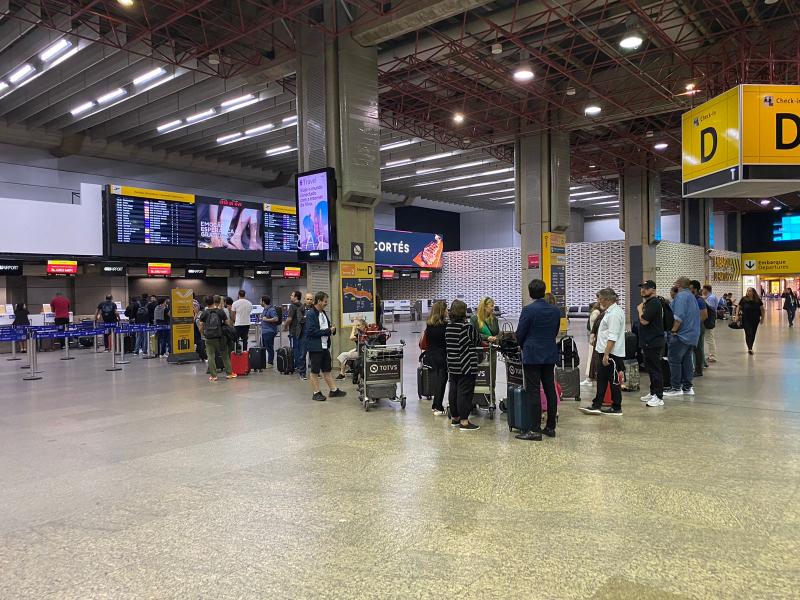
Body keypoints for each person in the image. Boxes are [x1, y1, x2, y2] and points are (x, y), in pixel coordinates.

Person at [514, 279, 561, 440]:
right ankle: (550, 427)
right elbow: (555, 331)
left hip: (532, 355)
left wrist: (521, 344)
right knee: (550, 389)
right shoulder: (555, 311)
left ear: (530, 292)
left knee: (533, 391)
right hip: (549, 353)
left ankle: (534, 429)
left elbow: (520, 333)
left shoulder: (528, 310)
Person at [580, 287, 626, 416]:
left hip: (611, 354)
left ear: (607, 299)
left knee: (613, 380)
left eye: (600, 298)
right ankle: (597, 405)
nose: (598, 301)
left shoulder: (615, 314)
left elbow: (613, 336)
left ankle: (616, 407)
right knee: (601, 380)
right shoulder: (609, 312)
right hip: (603, 352)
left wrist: (606, 354)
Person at [445, 299, 482, 431]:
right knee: (465, 392)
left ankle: (455, 418)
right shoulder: (467, 327)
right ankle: (464, 421)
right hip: (466, 364)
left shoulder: (448, 326)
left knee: (453, 390)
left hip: (452, 363)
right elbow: (477, 340)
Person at [305, 292, 346, 402]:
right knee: (314, 371)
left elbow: (326, 327)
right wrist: (328, 330)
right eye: (325, 301)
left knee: (327, 370)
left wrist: (332, 329)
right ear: (318, 301)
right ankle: (316, 392)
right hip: (315, 347)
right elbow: (311, 332)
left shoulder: (323, 313)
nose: (326, 304)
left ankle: (333, 390)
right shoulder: (310, 314)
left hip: (324, 346)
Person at [663, 277, 701, 398]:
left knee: (674, 360)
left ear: (678, 285)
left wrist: (673, 330)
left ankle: (676, 387)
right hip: (692, 335)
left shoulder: (680, 296)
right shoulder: (691, 296)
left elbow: (678, 317)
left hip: (681, 335)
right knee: (687, 360)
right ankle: (687, 387)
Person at [637, 281, 666, 407]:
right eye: (642, 288)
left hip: (653, 341)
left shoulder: (654, 303)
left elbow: (644, 321)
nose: (643, 290)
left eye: (646, 288)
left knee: (655, 370)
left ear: (653, 290)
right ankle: (653, 392)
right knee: (650, 369)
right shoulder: (648, 303)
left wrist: (639, 310)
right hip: (648, 342)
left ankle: (659, 397)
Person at [197, 295, 235, 381]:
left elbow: (200, 326)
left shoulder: (204, 313)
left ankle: (213, 376)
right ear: (214, 302)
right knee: (225, 355)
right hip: (220, 336)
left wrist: (203, 333)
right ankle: (229, 373)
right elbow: (227, 323)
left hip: (209, 337)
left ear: (206, 303)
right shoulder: (220, 311)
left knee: (210, 355)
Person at [421, 300, 448, 415]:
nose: (447, 311)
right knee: (442, 381)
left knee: (437, 380)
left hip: (431, 355)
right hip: (442, 356)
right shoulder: (445, 326)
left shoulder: (429, 324)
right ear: (442, 311)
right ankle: (438, 407)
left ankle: (434, 405)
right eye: (446, 309)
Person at [470, 297, 500, 389]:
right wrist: (487, 337)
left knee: (492, 374)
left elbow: (497, 332)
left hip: (492, 350)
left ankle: (491, 396)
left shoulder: (494, 319)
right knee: (479, 375)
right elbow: (472, 334)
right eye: (491, 306)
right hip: (479, 351)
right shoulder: (474, 319)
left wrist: (496, 338)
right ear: (484, 307)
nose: (493, 308)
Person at [736, 287, 765, 355]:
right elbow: (738, 307)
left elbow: (762, 309)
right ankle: (750, 348)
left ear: (753, 292)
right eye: (747, 291)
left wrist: (762, 318)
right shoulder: (744, 299)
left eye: (750, 291)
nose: (748, 292)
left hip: (755, 319)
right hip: (746, 319)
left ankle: (750, 346)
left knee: (753, 333)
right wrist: (737, 315)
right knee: (748, 333)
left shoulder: (757, 300)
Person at [582, 297, 603, 386]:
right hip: (595, 338)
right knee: (593, 358)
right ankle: (590, 377)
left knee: (593, 358)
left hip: (595, 338)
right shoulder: (597, 313)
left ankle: (590, 378)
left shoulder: (597, 312)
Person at [284, 291, 306, 377]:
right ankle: (301, 365)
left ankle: (297, 366)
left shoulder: (292, 306)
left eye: (292, 295)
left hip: (294, 331)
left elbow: (289, 319)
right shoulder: (302, 306)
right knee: (301, 350)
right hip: (302, 330)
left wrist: (285, 326)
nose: (290, 296)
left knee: (295, 349)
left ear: (296, 297)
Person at [689, 280, 708, 376]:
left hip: (698, 327)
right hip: (692, 327)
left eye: (690, 288)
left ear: (695, 289)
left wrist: (694, 324)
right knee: (694, 348)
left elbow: (704, 315)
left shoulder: (699, 300)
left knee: (698, 349)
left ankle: (699, 370)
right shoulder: (692, 299)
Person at [260, 296, 279, 366]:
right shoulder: (265, 309)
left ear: (263, 302)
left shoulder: (271, 309)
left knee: (269, 347)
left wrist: (266, 320)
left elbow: (276, 318)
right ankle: (267, 361)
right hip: (265, 331)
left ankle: (270, 363)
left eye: (260, 300)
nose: (260, 302)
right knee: (266, 347)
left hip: (269, 331)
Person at [702, 285, 719, 362]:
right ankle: (711, 355)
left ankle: (712, 356)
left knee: (709, 338)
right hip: (710, 319)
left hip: (709, 319)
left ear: (706, 290)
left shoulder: (711, 298)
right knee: (709, 337)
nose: (702, 291)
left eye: (703, 289)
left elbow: (710, 309)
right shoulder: (709, 297)